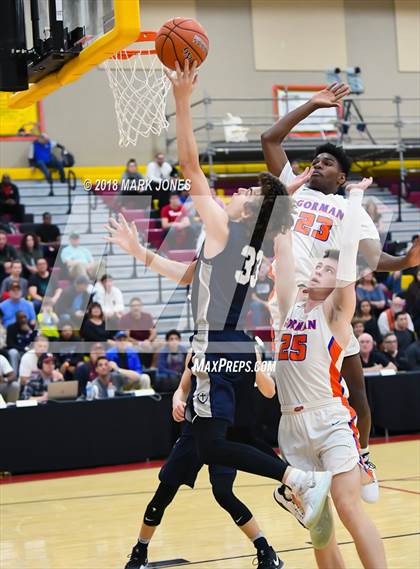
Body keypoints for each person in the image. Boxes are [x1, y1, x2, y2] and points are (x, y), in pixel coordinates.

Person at [106, 60, 333, 556]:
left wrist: (182, 101)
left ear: (249, 209)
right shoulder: (253, 239)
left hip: (214, 349)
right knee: (212, 449)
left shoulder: (223, 229)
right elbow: (192, 276)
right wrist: (140, 254)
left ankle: (296, 476)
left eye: (245, 192)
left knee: (210, 449)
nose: (235, 194)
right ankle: (294, 481)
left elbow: (190, 166)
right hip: (238, 351)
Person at [261, 81, 420, 455]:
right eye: (315, 161)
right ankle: (301, 457)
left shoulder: (353, 211)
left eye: (326, 163)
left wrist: (405, 262)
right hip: (290, 300)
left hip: (332, 303)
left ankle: (362, 455)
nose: (317, 165)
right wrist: (312, 105)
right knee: (291, 386)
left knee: (356, 389)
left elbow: (370, 258)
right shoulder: (295, 188)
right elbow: (270, 139)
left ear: (342, 178)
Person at [272, 179, 387, 568]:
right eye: (317, 264)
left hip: (330, 418)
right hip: (289, 426)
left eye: (326, 269)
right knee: (318, 528)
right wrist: (284, 196)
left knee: (348, 507)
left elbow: (349, 253)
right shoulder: (289, 304)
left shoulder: (335, 315)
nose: (318, 269)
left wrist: (354, 198)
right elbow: (283, 245)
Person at [125, 350, 281, 569]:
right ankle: (140, 551)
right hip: (194, 428)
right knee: (164, 492)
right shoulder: (197, 348)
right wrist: (176, 403)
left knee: (223, 493)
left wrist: (254, 366)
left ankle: (266, 550)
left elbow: (269, 391)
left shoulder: (244, 348)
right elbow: (182, 389)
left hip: (225, 429)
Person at [119, 297, 162, 367]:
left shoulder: (147, 316)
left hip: (147, 342)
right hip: (133, 343)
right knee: (127, 345)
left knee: (160, 343)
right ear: (130, 308)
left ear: (141, 307)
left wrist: (148, 341)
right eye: (133, 306)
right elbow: (126, 337)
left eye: (138, 305)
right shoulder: (125, 318)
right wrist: (140, 343)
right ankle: (133, 367)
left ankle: (153, 367)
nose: (136, 308)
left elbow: (154, 332)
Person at [250, 260, 274, 327]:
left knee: (275, 304)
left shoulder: (270, 281)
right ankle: (257, 328)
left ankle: (273, 328)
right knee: (256, 305)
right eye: (260, 269)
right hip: (258, 301)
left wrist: (270, 302)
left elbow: (273, 294)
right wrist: (264, 303)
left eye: (263, 268)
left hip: (268, 301)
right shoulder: (254, 281)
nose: (262, 270)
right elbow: (253, 296)